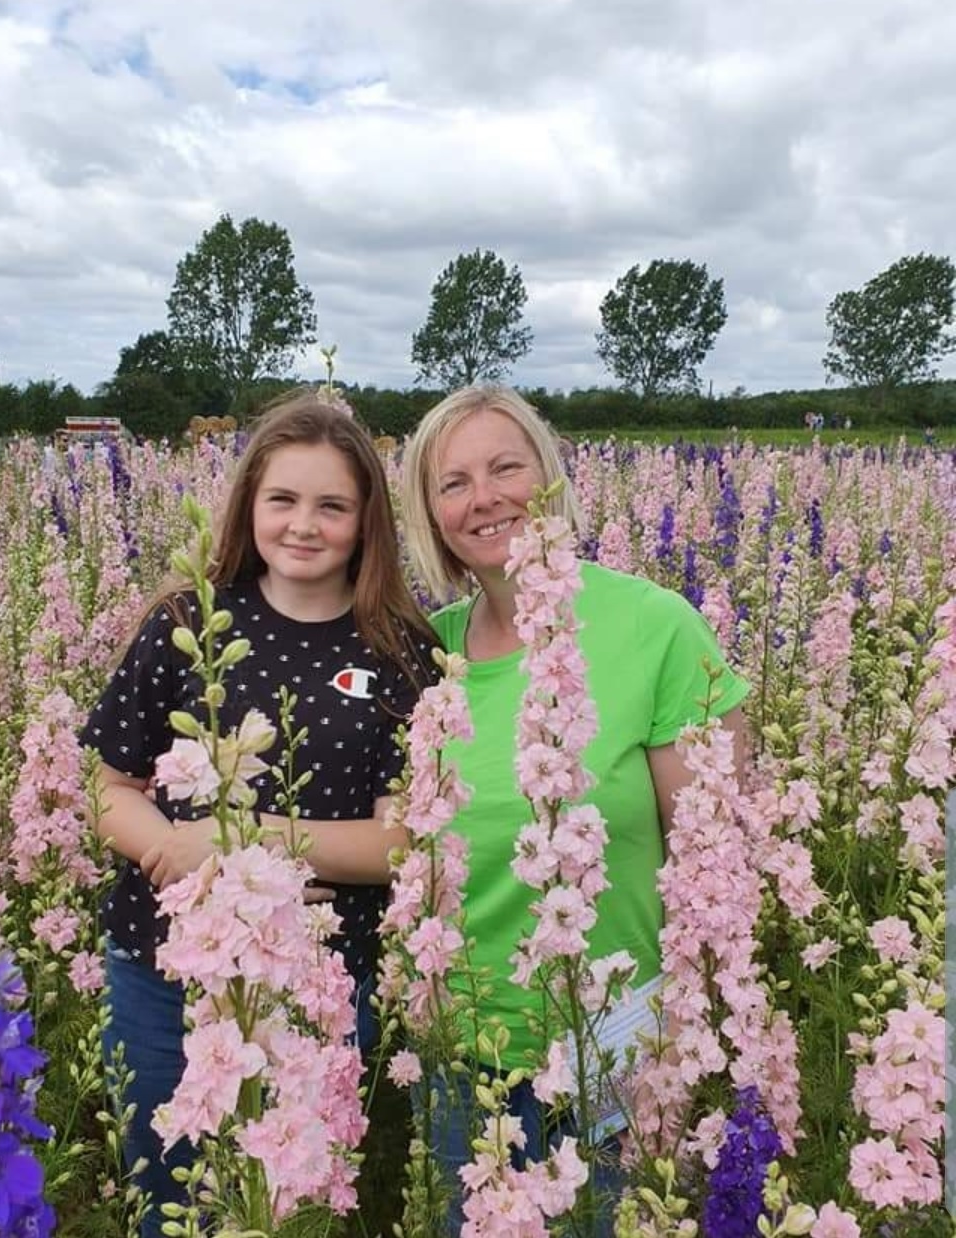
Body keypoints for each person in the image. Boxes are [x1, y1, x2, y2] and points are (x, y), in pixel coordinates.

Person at [81, 392, 439, 1236]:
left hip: (315, 984)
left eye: (332, 506)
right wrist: (178, 850)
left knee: (291, 1202)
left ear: (366, 522)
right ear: (249, 504)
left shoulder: (399, 650)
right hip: (164, 972)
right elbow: (108, 788)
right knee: (173, 1198)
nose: (303, 525)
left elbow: (399, 843)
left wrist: (251, 848)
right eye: (282, 499)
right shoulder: (188, 622)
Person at [399, 386, 750, 1235]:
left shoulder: (655, 626)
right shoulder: (425, 650)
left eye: (505, 467)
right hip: (464, 1051)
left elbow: (719, 858)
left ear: (549, 479)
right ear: (429, 513)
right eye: (453, 483)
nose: (483, 498)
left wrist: (691, 1031)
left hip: (619, 1045)